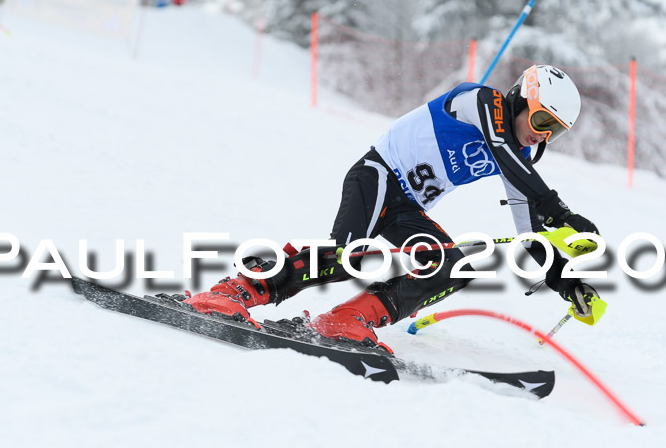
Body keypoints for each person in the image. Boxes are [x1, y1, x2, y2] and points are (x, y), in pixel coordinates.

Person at [184, 64, 601, 353]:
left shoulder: (519, 159)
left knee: (452, 266)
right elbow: (503, 150)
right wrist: (558, 211)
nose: (542, 137)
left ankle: (348, 320)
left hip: (407, 207)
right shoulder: (481, 101)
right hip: (378, 175)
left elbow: (530, 232)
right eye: (542, 122)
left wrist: (567, 282)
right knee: (348, 258)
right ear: (519, 98)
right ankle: (234, 291)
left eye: (555, 133)